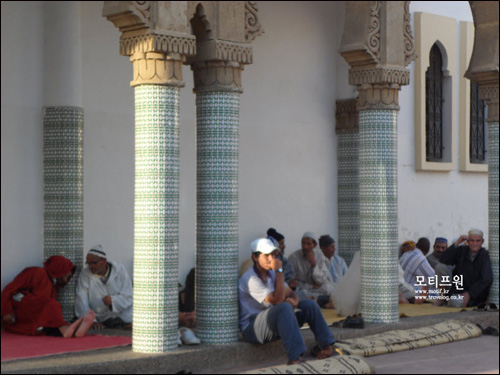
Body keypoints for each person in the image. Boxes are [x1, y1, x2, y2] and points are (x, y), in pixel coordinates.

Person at [239, 238, 340, 365]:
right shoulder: (250, 279)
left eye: (273, 255)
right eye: (266, 255)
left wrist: (296, 300)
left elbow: (290, 292)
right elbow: (277, 300)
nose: (271, 259)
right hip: (253, 328)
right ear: (255, 257)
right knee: (284, 307)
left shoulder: (271, 273)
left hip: (272, 322)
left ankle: (327, 348)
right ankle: (295, 358)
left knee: (310, 304)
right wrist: (279, 270)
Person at [1, 255, 94, 338]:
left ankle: (71, 331)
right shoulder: (35, 272)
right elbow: (8, 290)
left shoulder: (53, 286)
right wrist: (7, 311)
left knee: (48, 326)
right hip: (19, 310)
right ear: (59, 268)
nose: (70, 274)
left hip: (33, 316)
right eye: (67, 270)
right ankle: (65, 328)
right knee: (52, 304)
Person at [75, 245, 133, 329]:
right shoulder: (85, 274)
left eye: (94, 263)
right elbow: (81, 301)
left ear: (104, 261)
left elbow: (129, 297)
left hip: (122, 316)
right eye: (88, 263)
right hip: (100, 318)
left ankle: (127, 323)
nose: (91, 266)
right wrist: (92, 322)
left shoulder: (119, 270)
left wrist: (113, 301)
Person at [439, 229, 493, 307]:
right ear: (468, 241)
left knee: (456, 303)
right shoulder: (462, 251)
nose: (475, 244)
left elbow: (486, 279)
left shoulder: (484, 255)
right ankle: (442, 298)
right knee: (440, 267)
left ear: (482, 241)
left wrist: (469, 293)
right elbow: (443, 259)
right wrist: (457, 242)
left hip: (474, 295)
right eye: (472, 241)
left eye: (478, 241)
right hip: (458, 289)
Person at [288, 232, 331, 305]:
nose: (305, 246)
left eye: (308, 244)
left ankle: (324, 301)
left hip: (318, 288)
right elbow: (291, 282)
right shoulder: (293, 258)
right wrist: (311, 286)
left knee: (329, 288)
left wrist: (314, 265)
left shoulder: (319, 256)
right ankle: (323, 301)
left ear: (314, 245)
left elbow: (322, 280)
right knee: (301, 293)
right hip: (304, 289)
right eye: (303, 243)